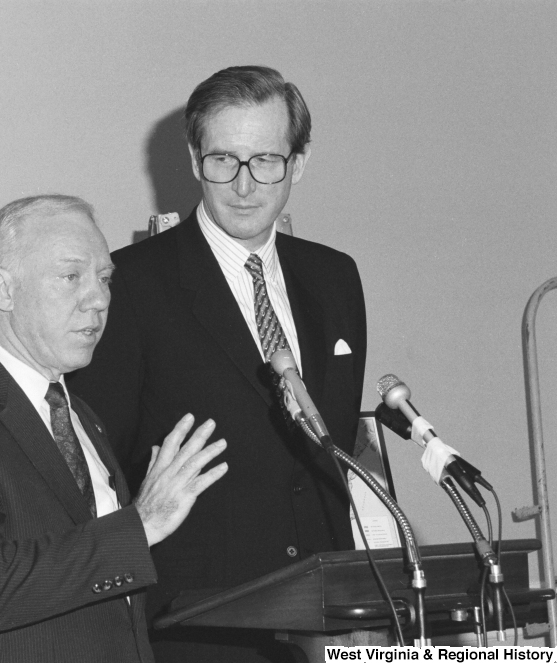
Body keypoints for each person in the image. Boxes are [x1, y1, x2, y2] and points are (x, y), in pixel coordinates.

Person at [68, 66, 368, 662]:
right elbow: (95, 468)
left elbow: (329, 451)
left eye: (266, 161)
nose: (244, 184)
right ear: (192, 157)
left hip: (326, 621)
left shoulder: (336, 277)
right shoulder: (132, 283)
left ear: (298, 163)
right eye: (222, 160)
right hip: (197, 624)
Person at [0, 195, 228, 663]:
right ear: (2, 290)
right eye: (71, 277)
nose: (99, 299)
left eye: (105, 278)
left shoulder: (80, 414)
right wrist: (140, 525)